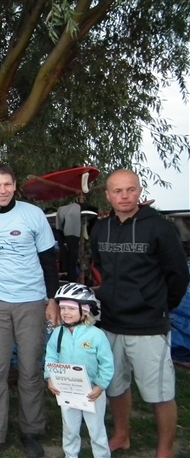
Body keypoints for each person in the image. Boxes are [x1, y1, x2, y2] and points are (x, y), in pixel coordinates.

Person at [89, 169, 189, 458]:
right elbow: (101, 268)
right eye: (117, 191)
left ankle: (165, 448)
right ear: (108, 195)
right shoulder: (101, 229)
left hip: (148, 325)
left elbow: (178, 275)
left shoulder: (160, 228)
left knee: (160, 392)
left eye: (130, 190)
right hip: (110, 323)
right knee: (115, 386)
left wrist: (159, 305)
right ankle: (122, 436)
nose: (124, 196)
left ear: (139, 192)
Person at [0, 164, 60, 458]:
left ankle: (31, 432)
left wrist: (52, 300)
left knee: (31, 369)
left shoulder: (33, 215)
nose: (2, 190)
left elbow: (49, 261)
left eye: (7, 184)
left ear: (15, 185)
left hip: (32, 302)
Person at [45, 283, 114, 458]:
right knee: (69, 428)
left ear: (85, 310)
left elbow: (107, 363)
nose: (65, 312)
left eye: (71, 308)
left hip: (92, 391)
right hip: (67, 390)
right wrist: (50, 377)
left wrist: (100, 386)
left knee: (96, 429)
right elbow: (51, 356)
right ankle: (70, 455)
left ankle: (102, 455)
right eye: (62, 308)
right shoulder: (58, 333)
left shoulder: (97, 335)